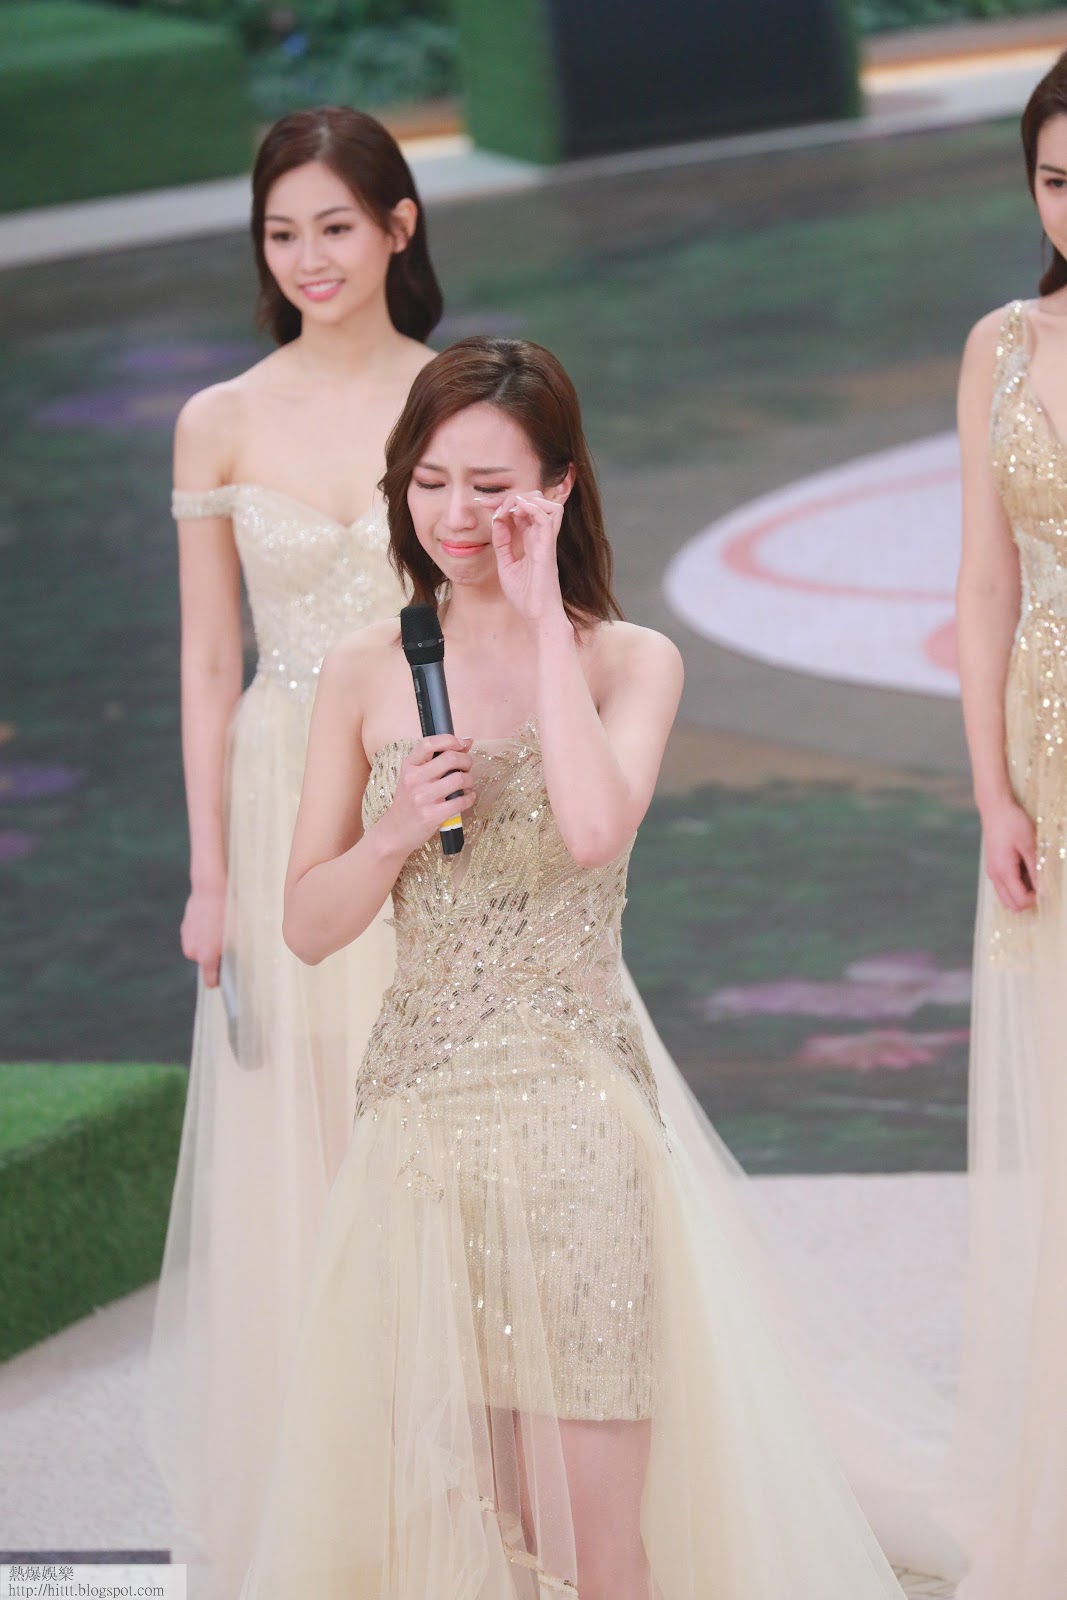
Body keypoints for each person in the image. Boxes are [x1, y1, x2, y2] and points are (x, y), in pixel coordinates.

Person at [236, 335, 907, 1600]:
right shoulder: (367, 670)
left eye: (491, 487)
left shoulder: (627, 660)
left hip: (576, 1126)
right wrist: (388, 833)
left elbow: (595, 829)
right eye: (429, 481)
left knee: (595, 1540)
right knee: (470, 1524)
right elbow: (308, 926)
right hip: (418, 1130)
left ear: (556, 487)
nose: (454, 516)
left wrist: (542, 618)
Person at [144, 106, 440, 1598]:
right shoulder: (220, 418)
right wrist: (210, 875)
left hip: (423, 779)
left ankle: (463, 1461)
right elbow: (210, 659)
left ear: (398, 226)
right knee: (308, 1141)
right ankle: (342, 1484)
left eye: (335, 225)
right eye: (281, 232)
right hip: (279, 794)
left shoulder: (453, 394)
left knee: (435, 1108)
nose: (308, 257)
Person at [950, 48, 1067, 1600]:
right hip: (1048, 749)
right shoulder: (996, 345)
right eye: (1051, 181)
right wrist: (989, 789)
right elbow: (981, 581)